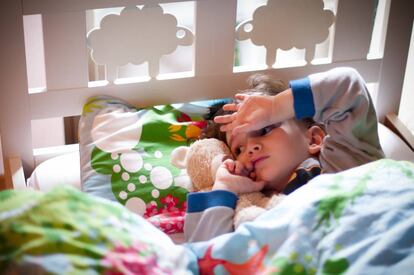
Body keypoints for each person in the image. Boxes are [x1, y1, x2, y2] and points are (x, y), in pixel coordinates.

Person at [184, 67, 385, 242]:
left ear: (314, 139)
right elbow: (205, 250)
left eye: (264, 129)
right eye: (239, 149)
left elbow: (347, 87)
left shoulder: (343, 159)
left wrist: (275, 106)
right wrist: (225, 186)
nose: (251, 147)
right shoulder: (249, 206)